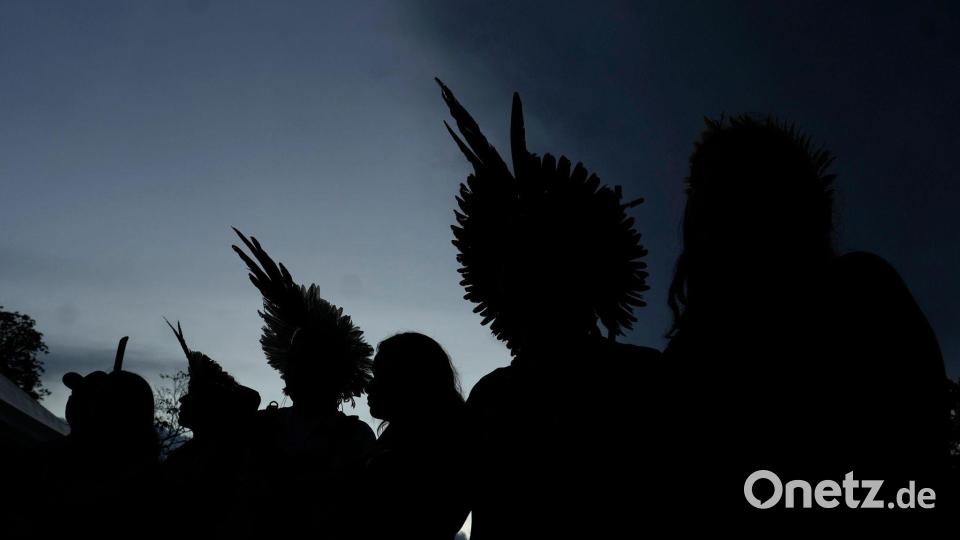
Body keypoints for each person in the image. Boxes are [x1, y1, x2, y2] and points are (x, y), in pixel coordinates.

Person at [663, 115, 951, 521]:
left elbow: (915, 474)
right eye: (699, 188)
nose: (704, 206)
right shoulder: (694, 356)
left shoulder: (862, 295)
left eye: (738, 187)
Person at [437, 79, 663, 538]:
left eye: (542, 259)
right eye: (511, 262)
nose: (524, 276)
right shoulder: (491, 397)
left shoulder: (647, 380)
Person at [233, 228, 376, 538]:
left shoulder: (356, 438)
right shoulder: (259, 426)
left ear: (333, 373)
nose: (296, 370)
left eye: (310, 362)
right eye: (293, 360)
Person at [361, 332, 470, 539]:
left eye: (381, 376)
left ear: (410, 382)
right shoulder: (449, 447)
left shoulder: (416, 459)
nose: (369, 386)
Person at [161, 319, 261, 537]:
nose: (182, 401)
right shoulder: (188, 457)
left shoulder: (228, 460)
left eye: (192, 394)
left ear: (210, 406)